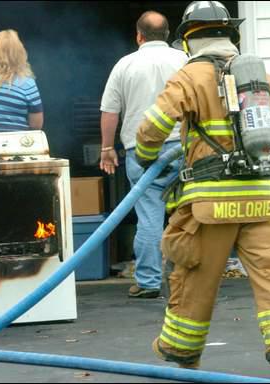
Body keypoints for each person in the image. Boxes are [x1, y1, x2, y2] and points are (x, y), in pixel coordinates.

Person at [135, 2, 270, 381]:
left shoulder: (189, 76)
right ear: (231, 34)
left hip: (211, 205)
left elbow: (152, 128)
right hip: (264, 199)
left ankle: (184, 358)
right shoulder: (260, 77)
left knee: (194, 276)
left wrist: (148, 159)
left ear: (188, 38)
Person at [99, 11, 187, 299]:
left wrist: (107, 148)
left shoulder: (125, 65)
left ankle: (149, 282)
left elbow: (110, 110)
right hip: (184, 147)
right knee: (188, 214)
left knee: (149, 216)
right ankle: (188, 277)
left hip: (142, 152)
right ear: (167, 33)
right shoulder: (184, 61)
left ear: (139, 35)